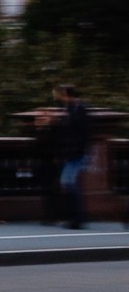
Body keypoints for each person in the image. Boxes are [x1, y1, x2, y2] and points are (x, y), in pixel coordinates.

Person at [56, 83, 91, 230]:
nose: (61, 98)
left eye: (62, 95)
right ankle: (75, 217)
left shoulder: (78, 110)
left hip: (76, 153)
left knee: (68, 182)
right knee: (68, 183)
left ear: (68, 95)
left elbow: (81, 133)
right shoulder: (71, 109)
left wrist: (76, 150)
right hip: (73, 152)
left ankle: (77, 218)